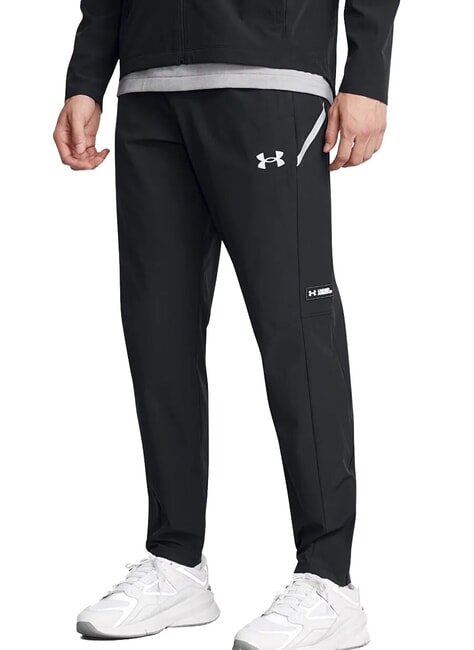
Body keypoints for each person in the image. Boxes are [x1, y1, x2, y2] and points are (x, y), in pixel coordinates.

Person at [54, 1, 399, 647]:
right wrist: (86, 76)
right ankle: (176, 560)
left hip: (271, 72)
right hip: (149, 85)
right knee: (157, 330)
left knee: (295, 328)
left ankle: (330, 580)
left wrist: (368, 74)